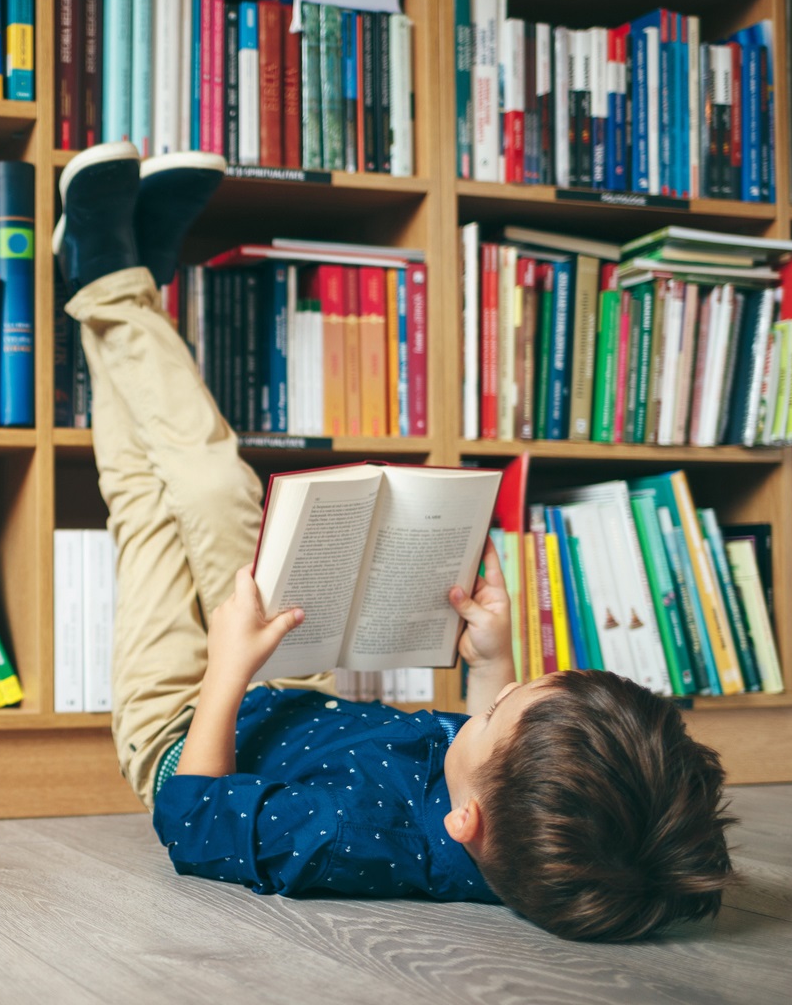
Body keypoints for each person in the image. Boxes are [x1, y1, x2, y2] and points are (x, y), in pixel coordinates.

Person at [56, 141, 739, 942]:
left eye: (492, 714)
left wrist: (228, 670)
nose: (480, 713)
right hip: (286, 678)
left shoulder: (344, 841)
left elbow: (194, 822)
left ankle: (111, 278)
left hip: (181, 719)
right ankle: (111, 278)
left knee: (150, 498)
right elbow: (499, 754)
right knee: (205, 484)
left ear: (466, 823)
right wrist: (493, 665)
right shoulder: (527, 824)